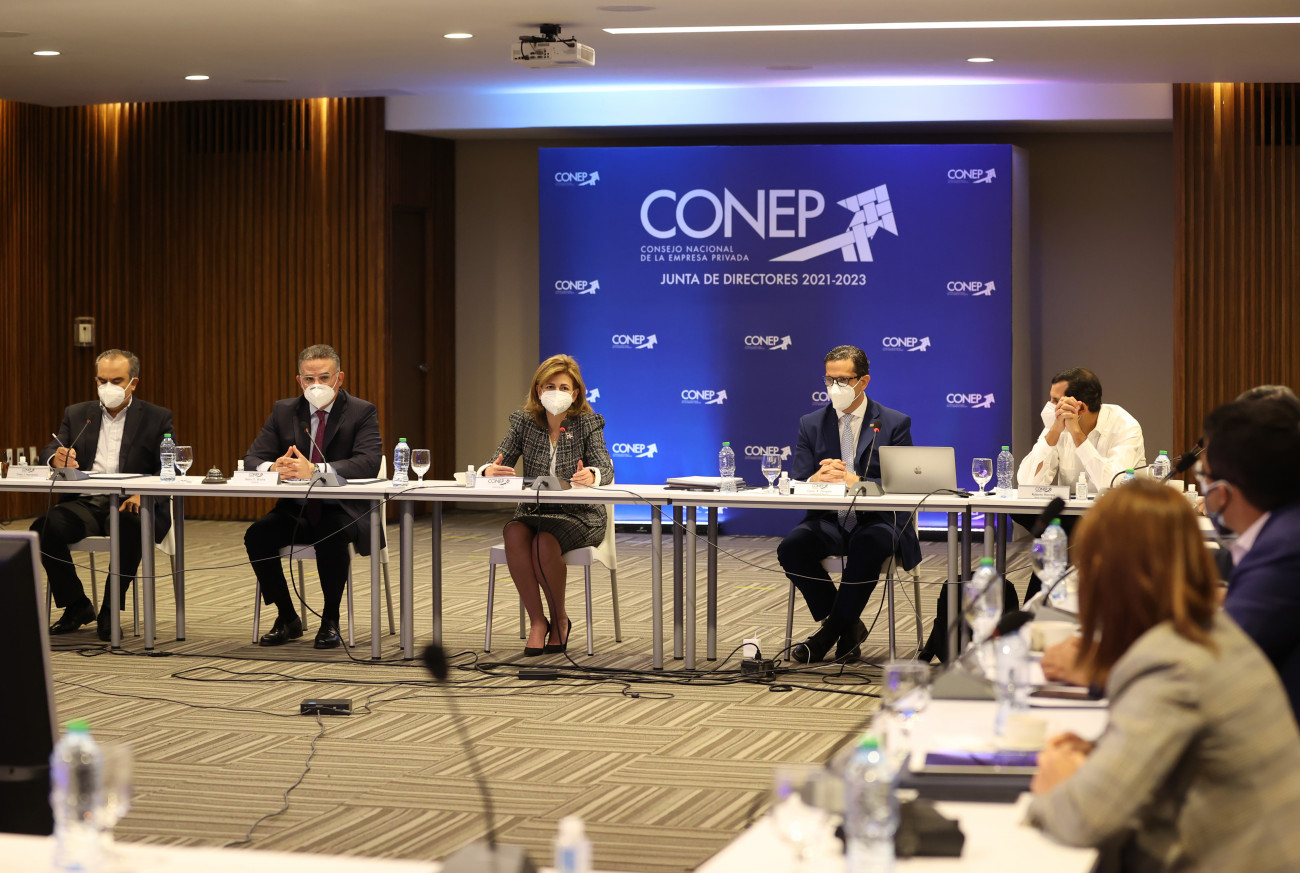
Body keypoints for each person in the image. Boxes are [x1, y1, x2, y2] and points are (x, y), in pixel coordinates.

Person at [1027, 480, 1300, 872]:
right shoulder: (1214, 634)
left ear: (1101, 573)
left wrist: (1053, 786)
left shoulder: (1170, 667)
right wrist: (1102, 755)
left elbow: (1083, 819)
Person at [776, 345, 920, 663]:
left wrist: (858, 483)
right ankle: (849, 628)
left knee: (868, 544)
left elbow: (906, 486)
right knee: (792, 548)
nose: (834, 387)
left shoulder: (893, 423)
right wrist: (816, 478)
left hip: (879, 520)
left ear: (863, 381)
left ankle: (826, 636)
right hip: (829, 520)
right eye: (829, 380)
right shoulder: (811, 423)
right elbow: (797, 481)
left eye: (842, 380)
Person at [243, 344, 381, 649]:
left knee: (330, 534)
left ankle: (330, 619)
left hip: (344, 510)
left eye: (324, 377)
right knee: (257, 535)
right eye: (309, 379)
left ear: (339, 378)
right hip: (297, 509)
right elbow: (252, 458)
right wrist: (274, 467)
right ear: (299, 380)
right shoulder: (284, 410)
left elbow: (369, 462)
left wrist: (315, 469)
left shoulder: (361, 411)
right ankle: (287, 617)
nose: (316, 385)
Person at [32, 349, 174, 642]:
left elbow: (168, 466)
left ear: (133, 383)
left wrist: (144, 494)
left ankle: (110, 610)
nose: (107, 387)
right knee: (43, 528)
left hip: (130, 502)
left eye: (116, 381)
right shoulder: (77, 413)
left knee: (132, 525)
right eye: (102, 380)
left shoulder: (157, 417)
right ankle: (77, 605)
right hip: (85, 502)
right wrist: (56, 458)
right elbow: (51, 448)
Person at [482, 354, 614, 656]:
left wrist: (591, 475)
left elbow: (606, 468)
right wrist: (488, 470)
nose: (557, 392)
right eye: (550, 386)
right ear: (538, 390)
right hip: (535, 512)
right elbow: (496, 460)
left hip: (580, 516)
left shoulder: (588, 424)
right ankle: (538, 621)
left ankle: (560, 620)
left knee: (543, 542)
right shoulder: (524, 423)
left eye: (564, 387)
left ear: (575, 393)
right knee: (514, 531)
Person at [1196, 396, 1300, 720]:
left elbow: (1216, 667)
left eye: (1204, 476)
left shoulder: (1283, 550)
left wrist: (1100, 669)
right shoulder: (1284, 529)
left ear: (1222, 491)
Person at [1015, 366, 1145, 599]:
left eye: (1056, 401)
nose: (1050, 407)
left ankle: (1049, 604)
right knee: (1027, 518)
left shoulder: (1125, 426)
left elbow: (1112, 483)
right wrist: (1054, 431)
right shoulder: (1057, 424)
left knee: (1055, 546)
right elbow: (1026, 483)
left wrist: (1077, 434)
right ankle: (1040, 611)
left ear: (1081, 408)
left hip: (1114, 520)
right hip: (1071, 518)